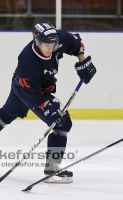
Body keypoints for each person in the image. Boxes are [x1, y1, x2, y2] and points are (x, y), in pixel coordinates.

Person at [0, 22, 96, 183]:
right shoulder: (28, 62)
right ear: (37, 42)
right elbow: (30, 95)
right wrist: (48, 109)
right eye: (46, 44)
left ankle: (52, 167)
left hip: (38, 89)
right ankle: (51, 169)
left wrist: (83, 62)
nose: (50, 47)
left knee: (5, 116)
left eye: (52, 44)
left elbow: (77, 42)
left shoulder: (57, 39)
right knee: (62, 124)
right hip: (26, 91)